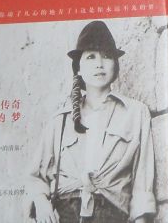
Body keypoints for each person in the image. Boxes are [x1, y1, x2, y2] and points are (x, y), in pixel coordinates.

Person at [28, 21, 157, 223]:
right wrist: (42, 203)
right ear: (78, 69)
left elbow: (143, 179)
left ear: (116, 66)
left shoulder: (135, 113)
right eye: (90, 57)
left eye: (106, 56)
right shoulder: (59, 121)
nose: (99, 64)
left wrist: (141, 219)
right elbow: (36, 177)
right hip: (65, 215)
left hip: (112, 215)